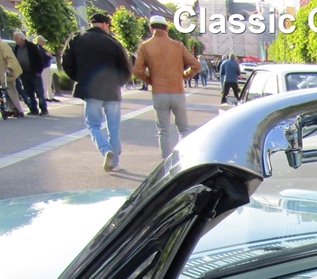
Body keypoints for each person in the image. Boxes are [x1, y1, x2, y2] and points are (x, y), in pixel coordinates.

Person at [61, 13, 133, 172]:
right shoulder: (114, 43)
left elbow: (66, 62)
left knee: (93, 124)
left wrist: (80, 78)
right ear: (105, 25)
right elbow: (127, 69)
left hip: (91, 89)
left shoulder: (77, 39)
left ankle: (106, 150)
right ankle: (115, 163)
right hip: (112, 91)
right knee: (114, 128)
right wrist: (118, 83)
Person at [132, 15, 201, 159]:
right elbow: (196, 65)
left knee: (163, 131)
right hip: (177, 91)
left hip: (159, 92)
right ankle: (184, 158)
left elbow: (137, 71)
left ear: (151, 28)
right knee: (183, 129)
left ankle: (166, 161)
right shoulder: (177, 46)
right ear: (167, 28)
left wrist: (150, 80)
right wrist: (184, 76)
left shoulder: (145, 46)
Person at [12, 31, 47, 116]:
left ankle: (43, 109)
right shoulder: (16, 48)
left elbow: (39, 59)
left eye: (16, 38)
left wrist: (39, 71)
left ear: (21, 38)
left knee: (39, 92)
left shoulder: (31, 46)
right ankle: (33, 109)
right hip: (24, 73)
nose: (15, 40)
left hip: (34, 73)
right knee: (29, 92)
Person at [0, 36, 25, 117]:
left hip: (7, 73)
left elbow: (11, 59)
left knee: (11, 91)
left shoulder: (3, 45)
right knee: (5, 92)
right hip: (1, 73)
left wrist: (9, 68)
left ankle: (18, 109)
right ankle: (10, 109)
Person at [36, 36, 57, 102]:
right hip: (43, 68)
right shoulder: (38, 49)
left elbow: (49, 55)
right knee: (44, 82)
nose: (44, 43)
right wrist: (48, 55)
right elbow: (42, 57)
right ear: (39, 41)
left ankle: (50, 96)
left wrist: (50, 55)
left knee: (49, 82)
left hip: (47, 66)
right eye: (43, 41)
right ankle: (45, 96)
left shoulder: (43, 49)